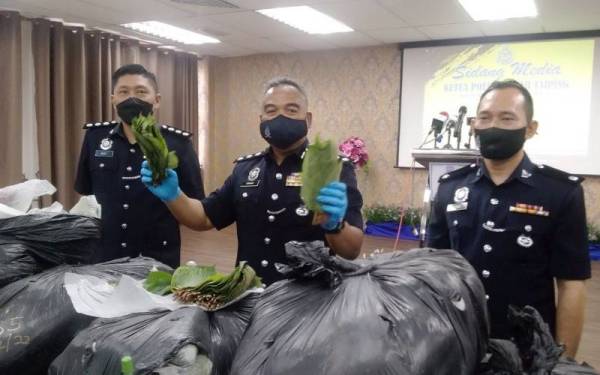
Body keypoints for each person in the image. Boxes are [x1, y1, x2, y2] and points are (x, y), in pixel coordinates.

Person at [141, 77, 364, 285]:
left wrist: (335, 226)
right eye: (271, 110)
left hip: (309, 301)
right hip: (250, 296)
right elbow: (204, 218)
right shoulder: (246, 170)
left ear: (308, 119)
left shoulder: (332, 169)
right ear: (261, 120)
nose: (280, 116)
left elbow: (352, 250)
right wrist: (173, 195)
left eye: (291, 109)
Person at [427, 79, 590, 358]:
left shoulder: (560, 192)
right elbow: (431, 268)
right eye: (485, 117)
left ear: (530, 129)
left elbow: (571, 284)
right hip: (456, 338)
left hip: (525, 348)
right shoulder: (450, 187)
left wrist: (562, 362)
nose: (493, 126)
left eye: (507, 118)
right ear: (473, 124)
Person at [74, 64, 205, 268]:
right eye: (123, 92)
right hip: (104, 254)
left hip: (156, 257)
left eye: (141, 91)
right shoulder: (95, 138)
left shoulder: (177, 143)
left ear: (157, 100)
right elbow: (86, 192)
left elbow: (195, 204)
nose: (131, 98)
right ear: (113, 99)